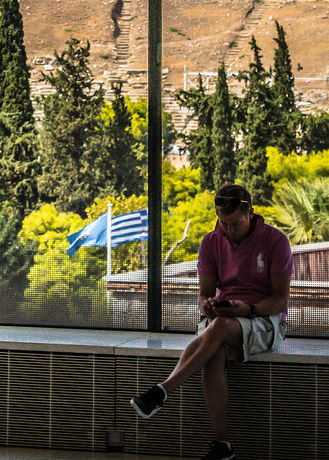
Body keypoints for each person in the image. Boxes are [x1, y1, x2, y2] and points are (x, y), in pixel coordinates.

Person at [128, 184, 293, 460]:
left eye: (235, 223)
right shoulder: (210, 242)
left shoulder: (276, 241)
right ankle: (222, 445)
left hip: (264, 318)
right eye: (222, 223)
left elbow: (279, 301)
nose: (228, 229)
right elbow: (205, 294)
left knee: (218, 329)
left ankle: (164, 390)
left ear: (250, 214)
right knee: (213, 352)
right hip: (225, 318)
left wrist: (247, 309)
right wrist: (207, 304)